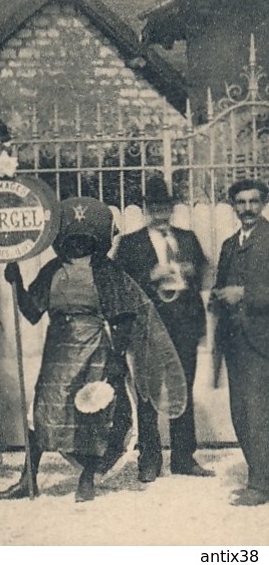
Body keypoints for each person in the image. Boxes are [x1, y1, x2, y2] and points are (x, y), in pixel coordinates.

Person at [2, 196, 186, 502]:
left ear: (96, 241)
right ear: (63, 240)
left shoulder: (106, 271)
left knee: (91, 416)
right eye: (72, 239)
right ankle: (27, 479)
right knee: (42, 411)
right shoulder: (51, 270)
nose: (78, 245)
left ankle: (87, 479)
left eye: (85, 239)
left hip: (95, 350)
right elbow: (33, 313)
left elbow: (124, 316)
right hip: (58, 352)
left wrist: (116, 359)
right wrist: (17, 283)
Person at [114, 175, 214, 481]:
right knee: (149, 393)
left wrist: (191, 271)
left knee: (182, 388)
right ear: (146, 209)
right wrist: (150, 275)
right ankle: (150, 459)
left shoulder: (187, 238)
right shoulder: (131, 243)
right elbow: (119, 286)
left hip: (183, 323)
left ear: (171, 208)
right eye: (154, 206)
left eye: (164, 206)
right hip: (148, 327)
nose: (159, 212)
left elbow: (204, 273)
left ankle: (184, 457)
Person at [213, 177, 269, 507]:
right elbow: (222, 287)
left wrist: (245, 294)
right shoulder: (228, 244)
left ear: (262, 203)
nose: (247, 208)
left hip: (263, 340)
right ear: (233, 206)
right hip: (235, 341)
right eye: (241, 202)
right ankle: (260, 474)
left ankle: (260, 485)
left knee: (257, 412)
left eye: (253, 202)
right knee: (242, 413)